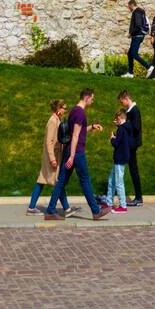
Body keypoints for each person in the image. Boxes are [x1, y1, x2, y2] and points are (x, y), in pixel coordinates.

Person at [44, 88, 107, 220]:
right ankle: (96, 211)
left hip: (70, 150)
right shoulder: (80, 113)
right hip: (77, 152)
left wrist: (92, 126)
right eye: (92, 98)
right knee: (85, 181)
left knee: (61, 182)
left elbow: (80, 130)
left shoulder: (74, 110)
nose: (93, 101)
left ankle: (50, 211)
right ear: (87, 98)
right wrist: (72, 156)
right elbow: (75, 135)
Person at [27, 99, 76, 217]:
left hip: (53, 156)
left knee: (43, 180)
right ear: (58, 109)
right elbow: (49, 142)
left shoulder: (56, 119)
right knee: (57, 181)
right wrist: (52, 159)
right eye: (64, 107)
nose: (66, 110)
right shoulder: (53, 121)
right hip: (52, 157)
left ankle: (31, 207)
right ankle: (67, 208)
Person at [118, 89, 143, 206]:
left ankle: (139, 198)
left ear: (126, 99)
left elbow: (136, 127)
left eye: (121, 101)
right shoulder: (131, 110)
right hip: (130, 144)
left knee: (132, 170)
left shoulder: (134, 110)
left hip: (132, 145)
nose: (121, 104)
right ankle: (138, 197)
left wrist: (123, 124)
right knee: (121, 168)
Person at [104, 110, 131, 213]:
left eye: (117, 119)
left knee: (119, 183)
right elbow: (120, 141)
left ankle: (123, 206)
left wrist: (112, 138)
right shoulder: (125, 128)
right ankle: (109, 203)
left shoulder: (122, 129)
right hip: (120, 159)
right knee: (111, 181)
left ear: (120, 118)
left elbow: (116, 143)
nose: (115, 120)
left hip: (120, 159)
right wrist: (118, 129)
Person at [123, 0, 151, 78]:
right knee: (130, 53)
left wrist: (130, 33)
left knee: (134, 54)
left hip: (137, 36)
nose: (128, 8)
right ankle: (130, 73)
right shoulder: (139, 12)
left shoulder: (137, 12)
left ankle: (148, 67)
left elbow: (138, 25)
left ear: (132, 5)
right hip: (137, 36)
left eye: (129, 6)